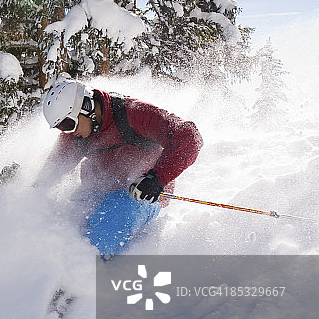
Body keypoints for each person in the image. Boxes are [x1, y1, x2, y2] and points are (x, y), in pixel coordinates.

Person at [41, 79, 203, 258]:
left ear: (86, 106)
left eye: (68, 125)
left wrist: (157, 177)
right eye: (61, 128)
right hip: (97, 190)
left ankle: (78, 275)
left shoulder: (134, 114)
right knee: (64, 224)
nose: (68, 133)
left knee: (101, 235)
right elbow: (52, 171)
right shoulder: (76, 135)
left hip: (141, 193)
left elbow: (190, 138)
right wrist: (22, 187)